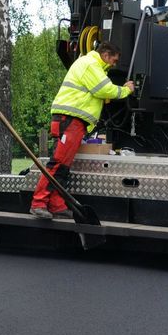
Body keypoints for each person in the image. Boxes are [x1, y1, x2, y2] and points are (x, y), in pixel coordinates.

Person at [30, 41, 134, 219]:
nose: (114, 64)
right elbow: (104, 90)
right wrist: (125, 90)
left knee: (63, 167)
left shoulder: (90, 64)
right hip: (70, 120)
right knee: (57, 164)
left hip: (72, 121)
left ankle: (56, 204)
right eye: (114, 60)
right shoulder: (90, 64)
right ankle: (38, 203)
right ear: (105, 55)